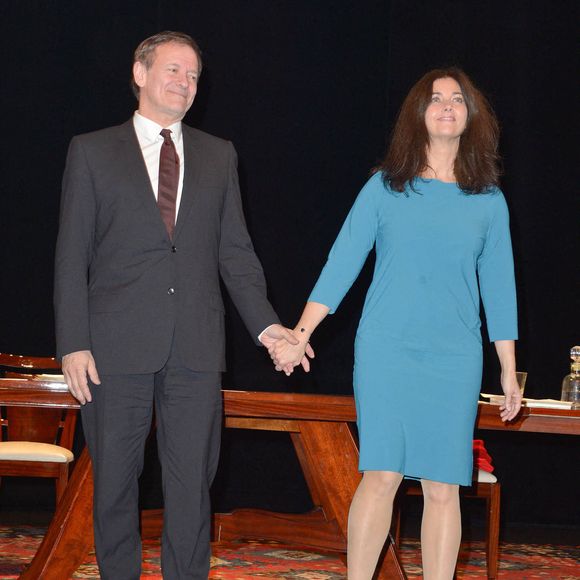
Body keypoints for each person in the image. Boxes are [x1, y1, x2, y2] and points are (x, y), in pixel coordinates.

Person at [54, 31, 312, 579]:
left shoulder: (219, 156)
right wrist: (73, 342)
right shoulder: (93, 151)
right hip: (113, 349)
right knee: (116, 488)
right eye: (173, 70)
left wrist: (269, 329)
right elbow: (71, 255)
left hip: (196, 349)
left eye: (193, 75)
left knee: (192, 486)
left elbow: (236, 255)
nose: (185, 83)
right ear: (140, 73)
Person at [270, 68, 521, 579]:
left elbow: (500, 288)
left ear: (471, 116)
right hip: (387, 352)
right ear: (419, 114)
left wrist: (508, 369)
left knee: (442, 485)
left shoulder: (489, 201)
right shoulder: (384, 189)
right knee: (381, 475)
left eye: (457, 99)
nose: (447, 106)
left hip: (454, 359)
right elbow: (341, 263)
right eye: (435, 99)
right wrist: (300, 334)